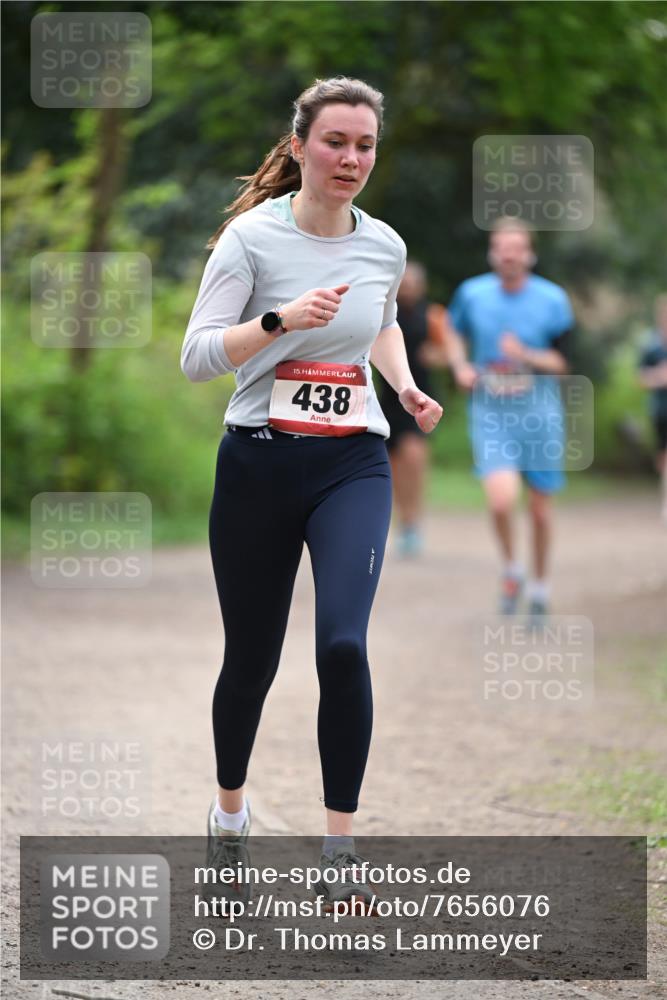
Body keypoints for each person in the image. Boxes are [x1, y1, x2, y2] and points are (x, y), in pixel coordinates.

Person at [181, 76, 443, 912]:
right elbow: (195, 357)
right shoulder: (249, 241)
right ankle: (229, 816)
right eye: (335, 141)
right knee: (251, 661)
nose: (351, 159)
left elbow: (381, 322)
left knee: (341, 646)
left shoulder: (385, 247)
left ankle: (339, 851)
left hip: (349, 465)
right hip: (257, 460)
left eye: (364, 145)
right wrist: (278, 322)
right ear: (299, 146)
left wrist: (400, 387)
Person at [445, 217, 574, 620]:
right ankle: (512, 569)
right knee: (501, 502)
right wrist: (459, 366)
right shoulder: (472, 293)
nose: (509, 254)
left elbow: (564, 363)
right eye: (502, 247)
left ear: (530, 254)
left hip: (539, 413)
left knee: (538, 509)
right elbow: (451, 331)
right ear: (492, 252)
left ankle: (539, 586)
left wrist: (526, 354)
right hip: (491, 411)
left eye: (516, 247)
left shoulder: (553, 299)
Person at [376, 261, 448, 557]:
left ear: (421, 286)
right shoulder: (382, 312)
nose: (407, 287)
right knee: (392, 466)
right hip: (387, 399)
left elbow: (449, 352)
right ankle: (403, 524)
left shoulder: (433, 315)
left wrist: (436, 355)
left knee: (414, 458)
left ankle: (414, 522)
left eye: (412, 282)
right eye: (403, 282)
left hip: (421, 398)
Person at [637, 293, 667, 522]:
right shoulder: (650, 345)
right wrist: (659, 377)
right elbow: (641, 379)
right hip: (660, 409)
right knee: (664, 456)